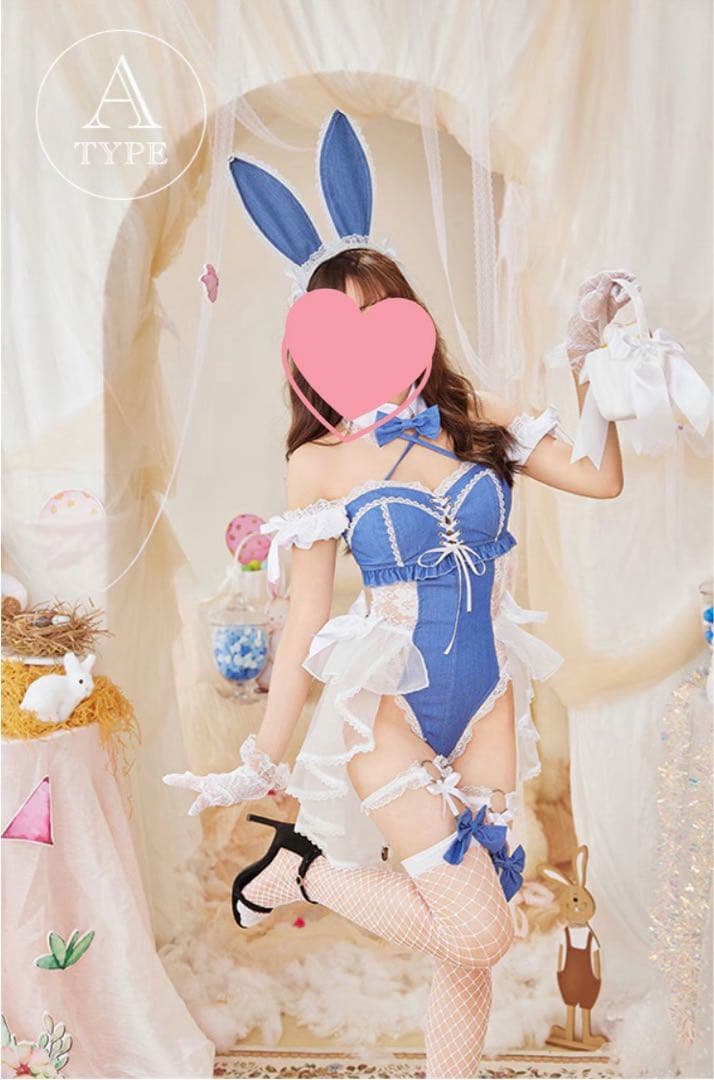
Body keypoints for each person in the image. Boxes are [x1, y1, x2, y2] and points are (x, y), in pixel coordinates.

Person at [165, 110, 632, 1077]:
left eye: (381, 314)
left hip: (489, 697)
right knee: (482, 930)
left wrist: (592, 363)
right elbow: (306, 617)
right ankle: (306, 872)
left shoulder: (476, 417)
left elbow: (600, 479)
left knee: (471, 951)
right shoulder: (318, 465)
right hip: (387, 711)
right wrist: (263, 755)